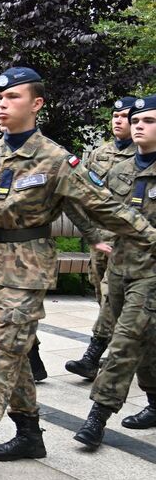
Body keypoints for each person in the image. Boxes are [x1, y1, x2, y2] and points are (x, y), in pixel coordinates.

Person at [0, 68, 156, 480]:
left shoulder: (55, 159)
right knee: (14, 354)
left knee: (1, 354)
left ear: (36, 104)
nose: (2, 104)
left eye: (13, 96)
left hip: (29, 267)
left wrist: (148, 235)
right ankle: (29, 433)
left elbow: (103, 205)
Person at [73, 94, 156, 447]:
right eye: (136, 121)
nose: (138, 126)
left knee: (124, 343)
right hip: (120, 268)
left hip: (152, 271)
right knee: (147, 344)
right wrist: (96, 237)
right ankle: (155, 402)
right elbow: (97, 207)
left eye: (148, 121)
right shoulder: (120, 169)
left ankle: (97, 418)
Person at [64, 96, 138, 380]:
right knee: (102, 294)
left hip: (125, 240)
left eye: (125, 116)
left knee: (111, 296)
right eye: (115, 116)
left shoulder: (143, 155)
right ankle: (126, 349)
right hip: (99, 238)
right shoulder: (100, 154)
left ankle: (92, 355)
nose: (119, 121)